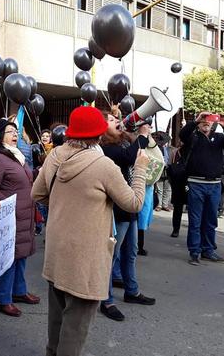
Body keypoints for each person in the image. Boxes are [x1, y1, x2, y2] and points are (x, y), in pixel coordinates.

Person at [32, 106, 149, 356]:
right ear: (98, 134)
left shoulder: (56, 155)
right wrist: (140, 169)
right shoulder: (103, 165)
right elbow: (134, 203)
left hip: (57, 249)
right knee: (76, 328)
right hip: (86, 257)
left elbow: (37, 194)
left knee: (57, 320)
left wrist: (65, 208)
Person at [98, 112, 155, 322]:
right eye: (111, 120)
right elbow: (130, 157)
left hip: (128, 204)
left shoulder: (121, 142)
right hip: (118, 207)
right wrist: (141, 134)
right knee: (111, 255)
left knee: (130, 252)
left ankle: (132, 291)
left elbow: (134, 149)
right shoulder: (105, 148)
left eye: (116, 119)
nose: (117, 123)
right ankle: (106, 299)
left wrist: (135, 131)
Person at [0, 118, 40, 317]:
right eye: (10, 131)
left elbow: (21, 180)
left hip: (25, 214)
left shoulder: (16, 156)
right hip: (10, 216)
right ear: (0, 136)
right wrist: (8, 202)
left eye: (16, 131)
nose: (15, 134)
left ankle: (19, 291)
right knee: (9, 257)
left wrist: (37, 172)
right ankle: (4, 299)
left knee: (21, 254)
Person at [179, 112, 224, 265]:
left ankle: (208, 250)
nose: (206, 122)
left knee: (211, 220)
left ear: (213, 124)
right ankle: (194, 252)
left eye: (208, 120)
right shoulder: (193, 137)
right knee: (195, 220)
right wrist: (195, 120)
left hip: (214, 185)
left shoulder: (219, 139)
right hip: (196, 183)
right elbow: (182, 134)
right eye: (203, 120)